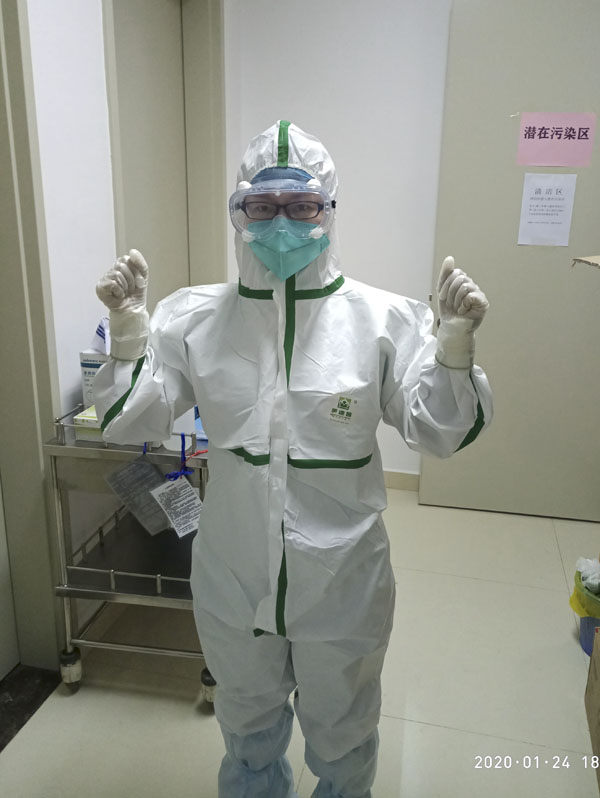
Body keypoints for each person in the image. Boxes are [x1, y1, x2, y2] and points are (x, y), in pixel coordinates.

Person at [94, 120, 492, 798]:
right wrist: (130, 334)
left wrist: (453, 350)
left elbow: (439, 432)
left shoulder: (381, 320)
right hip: (233, 572)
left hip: (343, 579)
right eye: (262, 205)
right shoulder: (195, 318)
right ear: (239, 211)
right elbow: (135, 419)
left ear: (328, 210)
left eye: (301, 205)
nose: (281, 222)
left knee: (343, 729)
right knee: (246, 720)